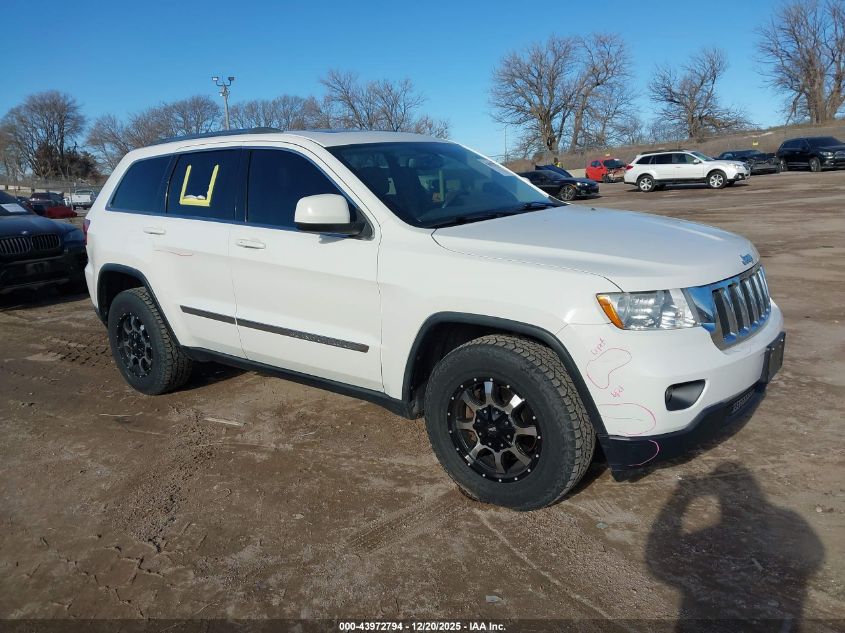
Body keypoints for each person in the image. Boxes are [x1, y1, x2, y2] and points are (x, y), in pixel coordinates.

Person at [646, 462, 824, 631]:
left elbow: (659, 558)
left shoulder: (710, 537)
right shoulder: (787, 519)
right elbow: (813, 557)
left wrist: (681, 496)